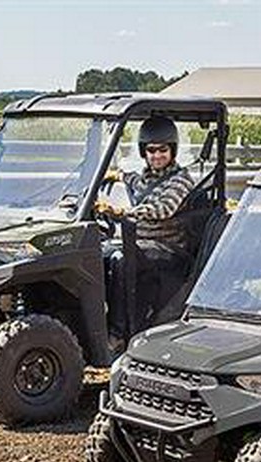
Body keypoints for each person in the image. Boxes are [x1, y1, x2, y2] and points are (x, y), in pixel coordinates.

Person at [98, 116, 195, 350]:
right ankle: (97, 324)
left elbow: (162, 208)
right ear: (144, 152)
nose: (157, 155)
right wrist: (113, 174)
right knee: (97, 253)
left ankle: (119, 333)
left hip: (168, 248)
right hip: (141, 243)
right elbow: (131, 180)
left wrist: (122, 211)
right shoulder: (145, 178)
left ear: (173, 150)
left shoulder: (180, 180)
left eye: (163, 150)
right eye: (151, 150)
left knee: (121, 261)